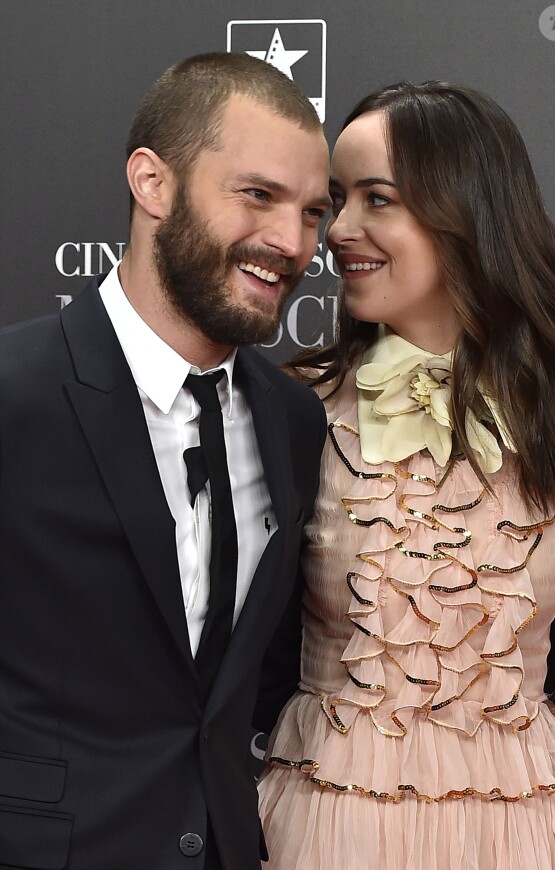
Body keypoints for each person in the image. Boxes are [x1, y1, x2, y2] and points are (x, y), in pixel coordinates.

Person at [0, 52, 331, 870]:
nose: (291, 243)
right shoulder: (14, 395)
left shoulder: (293, 419)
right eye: (257, 195)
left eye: (314, 213)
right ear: (153, 183)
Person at [258, 80, 555, 869]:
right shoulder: (298, 406)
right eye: (339, 200)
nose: (339, 230)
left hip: (520, 827)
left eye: (377, 198)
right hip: (329, 822)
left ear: (466, 213)